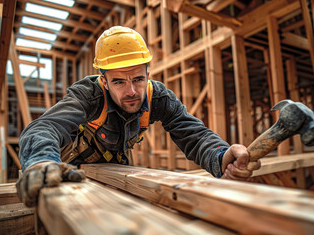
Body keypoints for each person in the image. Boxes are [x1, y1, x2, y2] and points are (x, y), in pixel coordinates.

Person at [16, 26, 261, 207]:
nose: (132, 91)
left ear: (148, 72)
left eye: (138, 79)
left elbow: (194, 136)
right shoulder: (88, 96)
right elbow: (43, 128)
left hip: (116, 172)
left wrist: (220, 156)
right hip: (68, 174)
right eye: (119, 82)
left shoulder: (158, 97)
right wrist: (40, 162)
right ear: (104, 81)